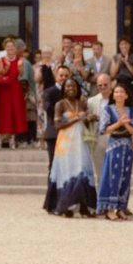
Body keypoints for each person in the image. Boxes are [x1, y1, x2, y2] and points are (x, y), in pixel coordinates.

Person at [43, 78, 98, 217]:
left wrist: (89, 118)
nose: (71, 88)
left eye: (73, 86)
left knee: (82, 171)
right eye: (68, 86)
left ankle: (85, 206)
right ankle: (65, 205)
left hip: (80, 141)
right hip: (65, 142)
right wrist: (76, 118)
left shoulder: (82, 103)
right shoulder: (60, 104)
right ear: (64, 89)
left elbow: (85, 121)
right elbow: (57, 125)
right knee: (67, 172)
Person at [96, 81, 133, 219]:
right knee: (112, 175)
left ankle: (121, 206)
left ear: (126, 95)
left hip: (127, 146)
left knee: (125, 176)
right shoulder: (108, 110)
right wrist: (119, 123)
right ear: (113, 95)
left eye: (122, 92)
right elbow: (104, 130)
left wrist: (126, 125)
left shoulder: (131, 110)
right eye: (116, 92)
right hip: (114, 146)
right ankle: (109, 208)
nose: (119, 94)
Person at [0, 42, 29, 147]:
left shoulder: (20, 60)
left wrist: (20, 68)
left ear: (16, 49)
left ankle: (12, 139)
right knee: (3, 112)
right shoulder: (1, 60)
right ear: (5, 48)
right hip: (4, 88)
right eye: (8, 46)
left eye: (12, 46)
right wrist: (7, 67)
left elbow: (21, 74)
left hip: (15, 86)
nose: (10, 48)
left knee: (15, 112)